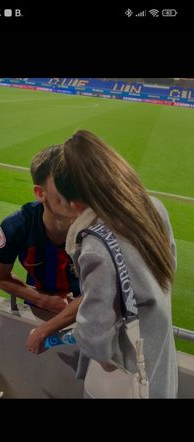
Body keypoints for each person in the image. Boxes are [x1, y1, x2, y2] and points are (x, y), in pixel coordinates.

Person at [26, 130, 178, 398]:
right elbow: (168, 271)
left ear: (76, 201)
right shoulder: (155, 207)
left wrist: (75, 336)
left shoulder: (95, 247)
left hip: (125, 373)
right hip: (160, 358)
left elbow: (97, 340)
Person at [0, 145, 82, 348]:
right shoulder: (17, 227)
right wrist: (43, 300)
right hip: (38, 310)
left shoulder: (95, 231)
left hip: (86, 318)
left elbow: (104, 294)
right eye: (64, 183)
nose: (76, 192)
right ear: (40, 193)